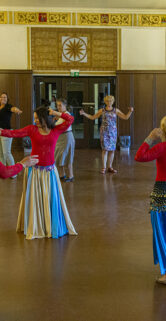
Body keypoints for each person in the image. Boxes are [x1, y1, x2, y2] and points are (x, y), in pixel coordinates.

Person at [0, 106, 77, 240]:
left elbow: (70, 119)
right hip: (35, 172)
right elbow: (14, 133)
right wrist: (1, 131)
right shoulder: (32, 129)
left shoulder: (56, 130)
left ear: (45, 118)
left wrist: (55, 112)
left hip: (50, 173)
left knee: (51, 199)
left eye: (37, 118)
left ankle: (49, 226)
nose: (35, 120)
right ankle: (35, 225)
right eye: (34, 118)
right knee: (34, 200)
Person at [135, 116, 166, 284]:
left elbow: (140, 156)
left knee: (162, 231)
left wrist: (149, 138)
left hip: (162, 193)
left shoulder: (162, 147)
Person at [80, 95, 133, 174]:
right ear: (105, 102)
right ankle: (104, 167)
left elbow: (125, 117)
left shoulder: (116, 110)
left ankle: (110, 167)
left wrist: (130, 111)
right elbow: (93, 117)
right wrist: (84, 113)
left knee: (112, 150)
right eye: (107, 101)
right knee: (105, 150)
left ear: (113, 101)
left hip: (113, 132)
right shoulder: (102, 110)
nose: (109, 102)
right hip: (104, 132)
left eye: (111, 101)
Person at [0, 92, 22, 177]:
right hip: (0, 131)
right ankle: (2, 171)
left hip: (7, 132)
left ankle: (13, 173)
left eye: (5, 97)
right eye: (1, 97)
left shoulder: (8, 106)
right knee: (1, 153)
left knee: (7, 153)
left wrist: (17, 110)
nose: (3, 99)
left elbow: (13, 108)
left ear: (7, 99)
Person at [54, 98, 75, 182]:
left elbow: (60, 124)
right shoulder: (60, 115)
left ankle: (70, 176)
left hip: (67, 137)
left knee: (67, 157)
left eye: (60, 105)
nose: (58, 107)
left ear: (65, 106)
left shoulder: (66, 114)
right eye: (57, 105)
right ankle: (62, 174)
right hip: (61, 138)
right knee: (59, 156)